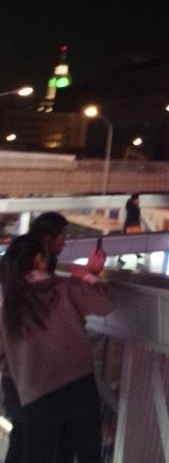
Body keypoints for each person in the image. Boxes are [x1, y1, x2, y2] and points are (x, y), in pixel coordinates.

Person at [0, 233, 111, 463]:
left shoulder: (9, 306)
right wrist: (88, 275)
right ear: (39, 260)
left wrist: (20, 374)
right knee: (87, 454)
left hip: (34, 395)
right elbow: (105, 304)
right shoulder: (65, 288)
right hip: (78, 386)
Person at [120, 193, 143, 265]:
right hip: (132, 228)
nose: (139, 201)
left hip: (131, 227)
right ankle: (120, 257)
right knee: (130, 242)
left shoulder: (130, 207)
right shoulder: (133, 208)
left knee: (132, 242)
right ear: (134, 200)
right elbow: (135, 219)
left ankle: (136, 254)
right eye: (138, 199)